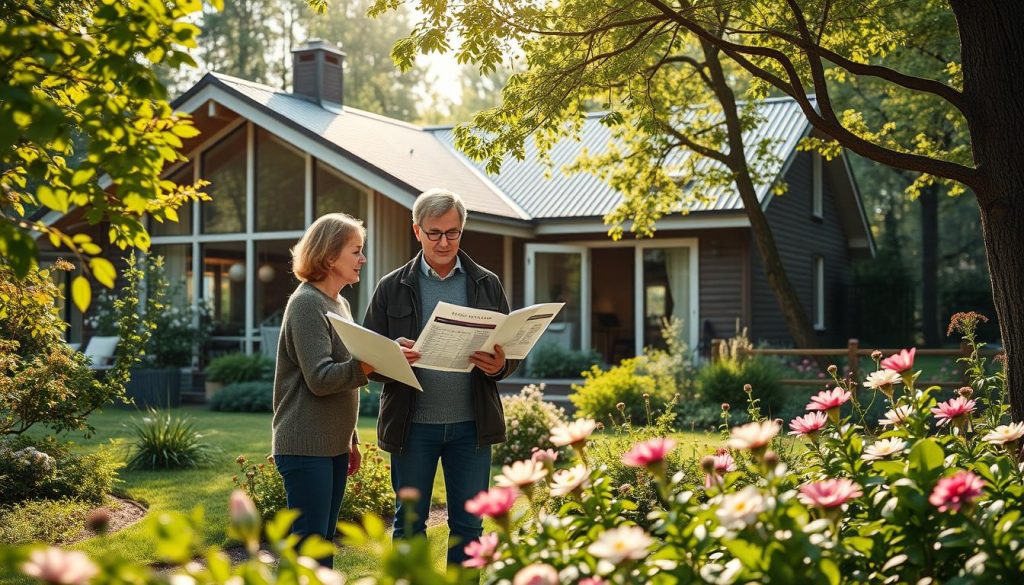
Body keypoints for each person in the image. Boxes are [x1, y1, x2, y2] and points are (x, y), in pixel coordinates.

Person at [363, 188, 519, 566]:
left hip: (472, 426)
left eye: (453, 232)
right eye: (435, 233)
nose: (445, 242)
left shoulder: (486, 283)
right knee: (409, 525)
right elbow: (367, 358)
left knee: (469, 527)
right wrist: (393, 354)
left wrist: (498, 365)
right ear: (416, 231)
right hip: (412, 426)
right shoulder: (391, 286)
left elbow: (509, 352)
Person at [271, 212, 373, 568]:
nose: (362, 259)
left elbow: (344, 373)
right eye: (356, 251)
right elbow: (321, 377)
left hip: (332, 444)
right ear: (330, 257)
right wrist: (368, 365)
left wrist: (352, 439)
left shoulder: (339, 304)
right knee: (311, 550)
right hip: (304, 444)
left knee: (323, 545)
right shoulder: (306, 304)